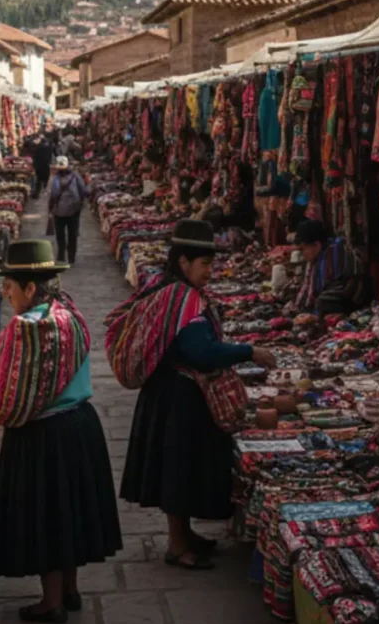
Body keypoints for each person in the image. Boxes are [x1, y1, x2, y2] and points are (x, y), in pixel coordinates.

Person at [0, 239, 122, 623]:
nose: (6, 293)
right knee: (68, 513)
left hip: (44, 434)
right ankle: (69, 590)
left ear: (30, 288)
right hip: (80, 426)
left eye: (10, 286)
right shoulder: (70, 313)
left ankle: (50, 602)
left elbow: (6, 395)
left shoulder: (29, 329)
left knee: (47, 515)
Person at [116, 220, 276, 569]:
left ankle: (185, 535)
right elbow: (201, 352)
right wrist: (249, 351)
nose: (210, 272)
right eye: (205, 265)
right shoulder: (182, 300)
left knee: (182, 468)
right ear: (184, 262)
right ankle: (176, 545)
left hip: (170, 392)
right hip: (179, 397)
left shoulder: (169, 288)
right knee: (178, 470)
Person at [286, 219, 361, 315]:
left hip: (349, 302)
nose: (302, 253)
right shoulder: (319, 256)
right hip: (338, 297)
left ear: (317, 245)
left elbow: (319, 292)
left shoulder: (331, 257)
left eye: (303, 248)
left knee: (321, 302)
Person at [49, 157, 88, 264]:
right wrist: (80, 203)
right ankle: (71, 257)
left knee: (60, 235)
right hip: (74, 210)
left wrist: (50, 208)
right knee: (73, 234)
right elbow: (84, 190)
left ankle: (61, 256)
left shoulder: (56, 178)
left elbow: (54, 194)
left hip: (59, 211)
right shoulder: (76, 176)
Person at [30, 134, 53, 199]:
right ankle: (46, 193)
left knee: (38, 181)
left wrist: (34, 165)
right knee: (45, 181)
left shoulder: (38, 148)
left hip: (39, 166)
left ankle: (36, 195)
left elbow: (35, 157)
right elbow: (49, 157)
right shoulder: (49, 148)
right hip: (46, 166)